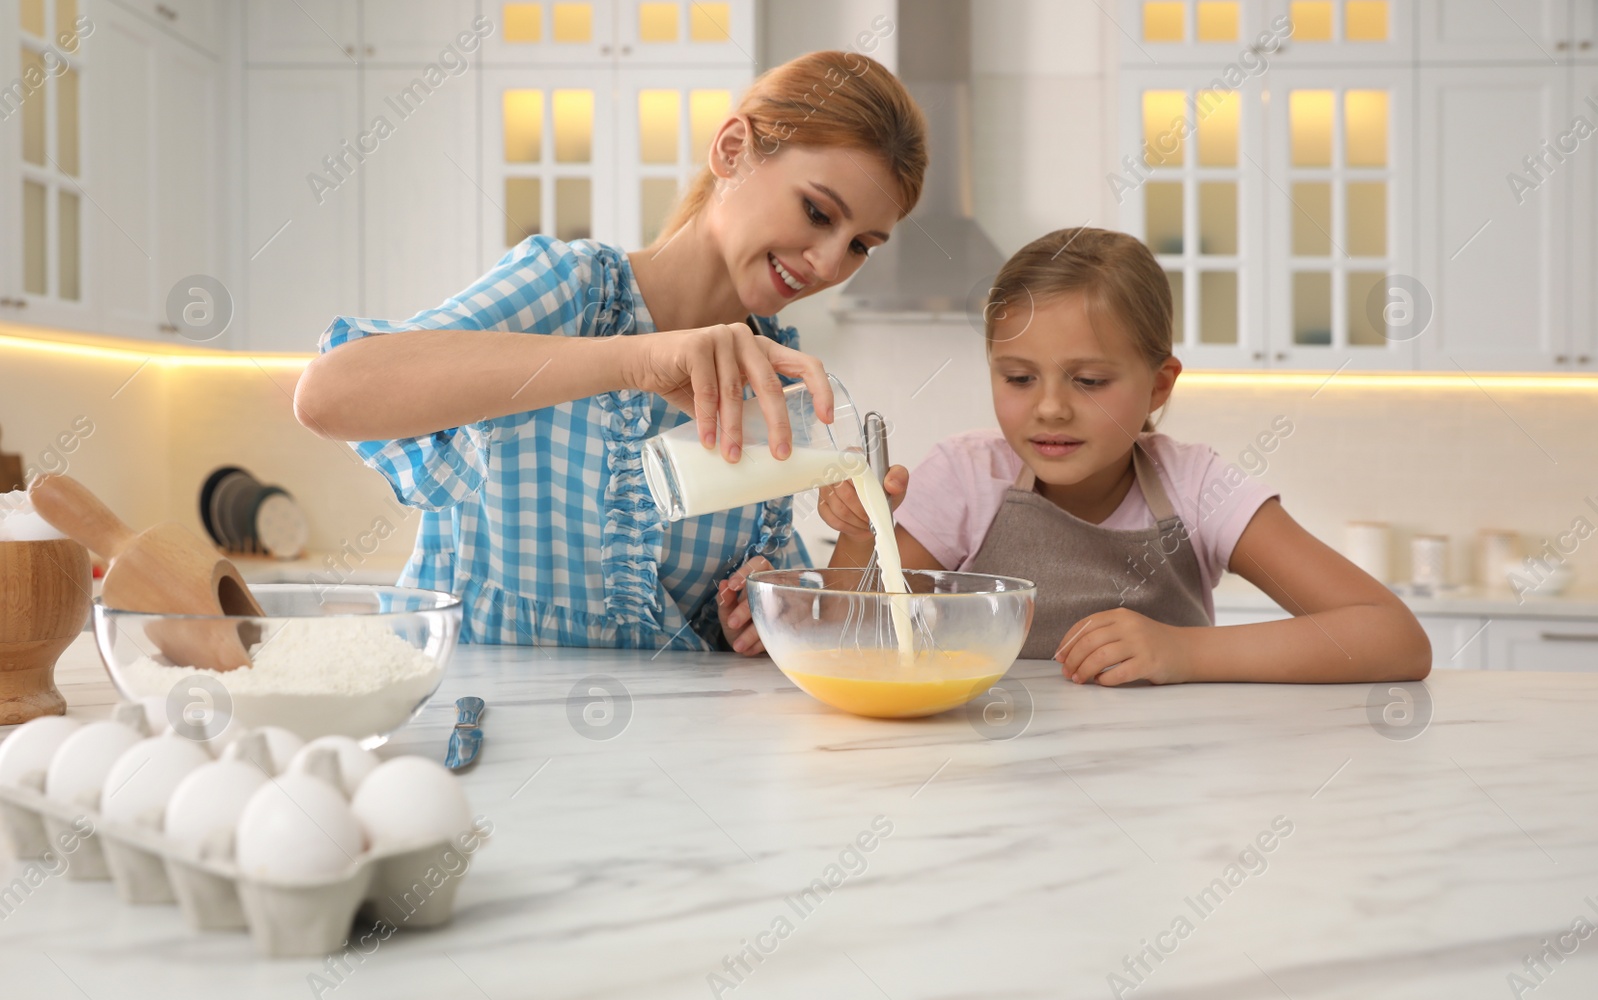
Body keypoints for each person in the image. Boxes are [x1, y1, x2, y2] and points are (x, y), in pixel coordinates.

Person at [293, 51, 928, 653]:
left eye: (860, 246)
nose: (827, 263)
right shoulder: (574, 291)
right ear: (733, 151)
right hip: (479, 717)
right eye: (818, 212)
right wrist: (636, 361)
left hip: (651, 745)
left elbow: (798, 630)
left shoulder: (770, 372)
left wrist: (762, 616)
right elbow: (329, 394)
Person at [818, 227, 1432, 685]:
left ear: (1159, 385)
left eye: (1088, 380)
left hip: (1165, 790)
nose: (1051, 409)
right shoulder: (967, 475)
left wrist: (1184, 653)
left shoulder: (1195, 485)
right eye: (1019, 378)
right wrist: (856, 534)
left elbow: (1395, 638)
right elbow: (853, 637)